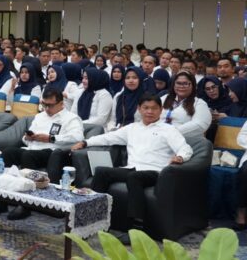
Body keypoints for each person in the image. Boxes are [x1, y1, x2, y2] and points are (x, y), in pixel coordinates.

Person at [72, 94, 192, 242]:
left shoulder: (168, 130)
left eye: (154, 108)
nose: (149, 111)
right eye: (146, 108)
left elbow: (184, 148)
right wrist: (85, 142)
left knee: (134, 177)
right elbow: (108, 138)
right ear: (139, 109)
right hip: (132, 168)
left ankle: (136, 229)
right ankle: (92, 219)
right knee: (102, 172)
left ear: (160, 110)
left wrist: (180, 157)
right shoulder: (132, 128)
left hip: (156, 171)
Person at [0, 87, 84, 219]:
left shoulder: (71, 118)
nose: (47, 108)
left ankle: (26, 205)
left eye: (50, 105)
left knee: (28, 155)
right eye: (44, 104)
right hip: (32, 148)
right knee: (8, 152)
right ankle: (2, 199)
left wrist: (51, 138)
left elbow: (77, 138)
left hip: (52, 152)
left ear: (61, 103)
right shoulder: (40, 116)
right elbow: (26, 139)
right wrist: (28, 138)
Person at [152, 71, 211, 137]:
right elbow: (148, 113)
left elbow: (200, 125)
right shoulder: (164, 98)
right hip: (157, 136)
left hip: (183, 139)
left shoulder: (199, 103)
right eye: (178, 83)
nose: (181, 86)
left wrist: (171, 133)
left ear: (193, 85)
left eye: (185, 83)